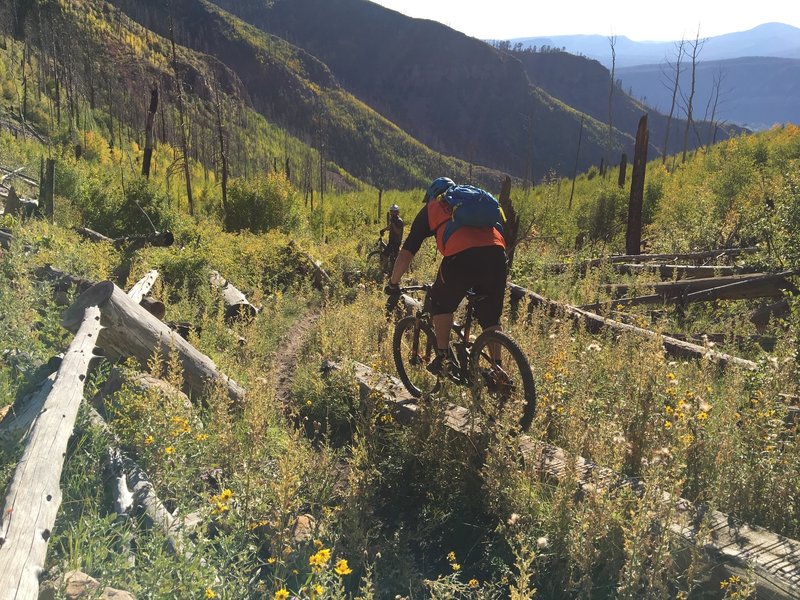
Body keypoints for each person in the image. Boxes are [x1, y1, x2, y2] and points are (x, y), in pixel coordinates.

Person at [384, 177, 507, 375]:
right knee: (491, 318)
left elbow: (406, 253)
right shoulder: (473, 202)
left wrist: (393, 282)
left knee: (439, 303)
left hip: (462, 258)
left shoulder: (433, 208)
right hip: (497, 256)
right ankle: (498, 370)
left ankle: (443, 358)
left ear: (432, 195)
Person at [379, 204, 404, 273]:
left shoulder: (399, 221)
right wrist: (383, 230)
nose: (392, 213)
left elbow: (398, 232)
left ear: (397, 212)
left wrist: (393, 223)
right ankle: (391, 270)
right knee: (393, 258)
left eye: (394, 212)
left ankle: (383, 270)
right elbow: (390, 227)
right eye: (391, 211)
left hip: (395, 242)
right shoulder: (394, 220)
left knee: (384, 255)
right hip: (392, 241)